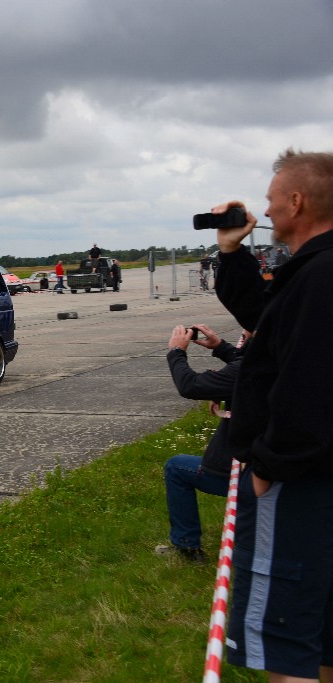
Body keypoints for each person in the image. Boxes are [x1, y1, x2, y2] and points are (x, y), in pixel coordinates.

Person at [211, 149, 333, 682]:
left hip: (301, 478)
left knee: (283, 640)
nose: (266, 209)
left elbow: (309, 384)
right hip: (317, 472)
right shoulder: (314, 270)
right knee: (322, 632)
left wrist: (267, 465)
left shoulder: (321, 275)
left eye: (271, 199)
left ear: (297, 201)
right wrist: (232, 253)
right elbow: (267, 315)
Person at [155, 324, 246, 563]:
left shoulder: (253, 366)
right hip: (280, 471)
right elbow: (248, 367)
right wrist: (221, 348)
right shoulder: (284, 356)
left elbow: (190, 385)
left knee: (176, 468)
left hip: (246, 474)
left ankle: (187, 547)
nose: (243, 335)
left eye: (246, 331)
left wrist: (176, 352)